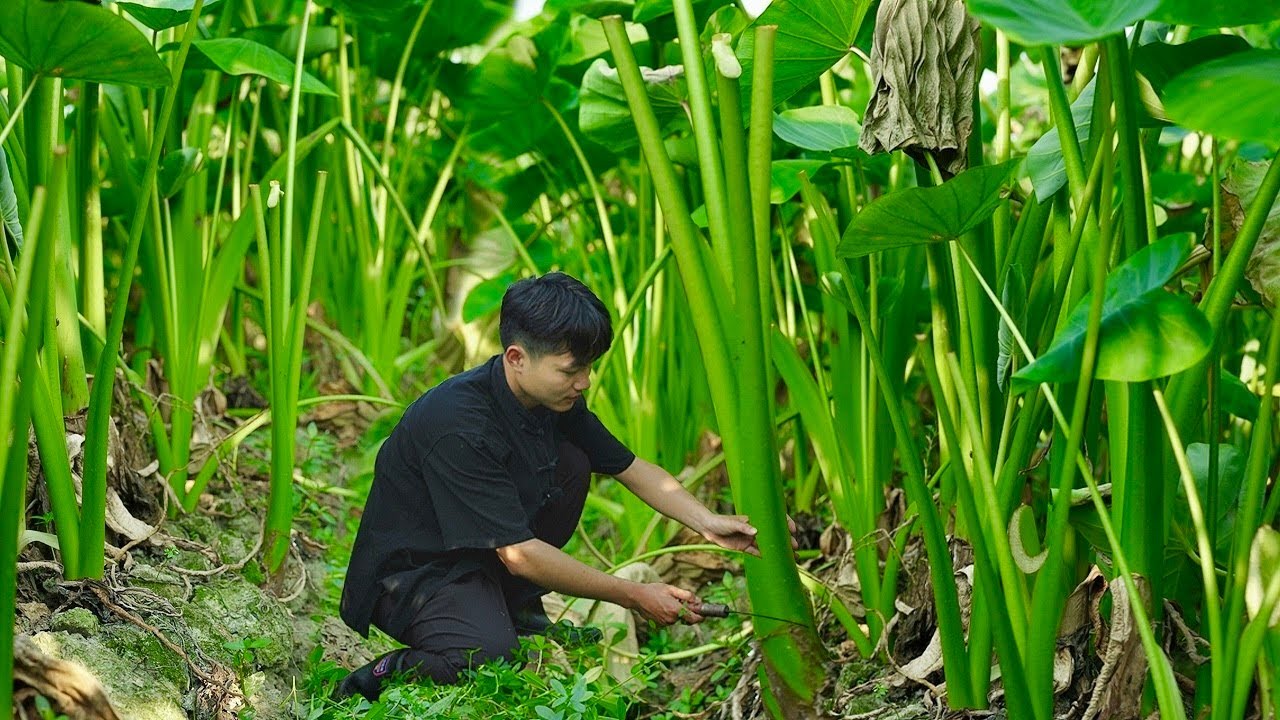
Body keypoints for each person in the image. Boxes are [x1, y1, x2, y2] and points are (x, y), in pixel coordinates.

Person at [335, 272, 762, 701]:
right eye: (571, 370)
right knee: (489, 659)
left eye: (588, 367)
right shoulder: (459, 424)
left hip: (476, 551)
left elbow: (629, 467)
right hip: (414, 573)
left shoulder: (553, 399)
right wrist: (634, 595)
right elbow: (520, 554)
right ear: (517, 357)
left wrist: (709, 523)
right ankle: (378, 675)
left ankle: (506, 607)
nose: (585, 381)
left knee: (574, 463)